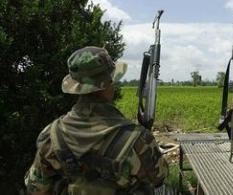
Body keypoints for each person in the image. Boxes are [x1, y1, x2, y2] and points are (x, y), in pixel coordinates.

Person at [24, 46, 168, 195]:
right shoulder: (138, 139)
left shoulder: (50, 135)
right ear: (106, 85)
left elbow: (36, 188)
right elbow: (159, 177)